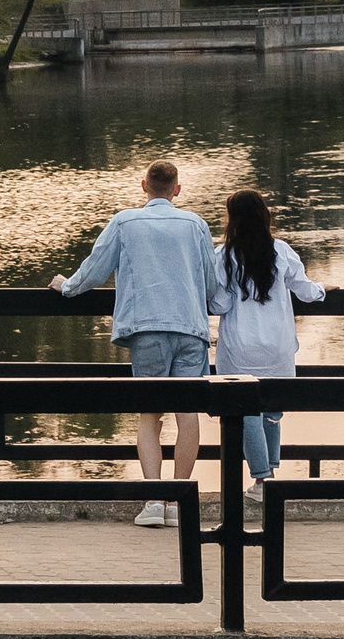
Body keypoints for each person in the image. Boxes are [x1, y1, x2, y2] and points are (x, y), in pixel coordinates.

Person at [50, 161, 213, 527]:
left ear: (144, 186)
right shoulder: (196, 225)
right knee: (188, 415)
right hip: (189, 328)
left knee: (149, 413)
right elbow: (212, 282)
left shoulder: (124, 222)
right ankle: (178, 502)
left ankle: (154, 501)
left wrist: (67, 287)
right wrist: (211, 309)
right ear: (177, 189)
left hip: (147, 329)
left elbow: (94, 269)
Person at [206, 189, 329, 480]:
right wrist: (323, 289)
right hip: (278, 345)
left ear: (232, 219)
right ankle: (270, 475)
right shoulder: (281, 251)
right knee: (273, 412)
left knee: (246, 413)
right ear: (264, 215)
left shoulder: (224, 255)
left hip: (239, 347)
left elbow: (220, 303)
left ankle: (262, 479)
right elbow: (305, 290)